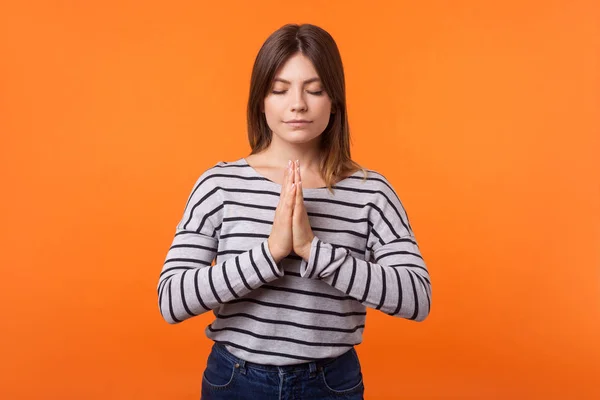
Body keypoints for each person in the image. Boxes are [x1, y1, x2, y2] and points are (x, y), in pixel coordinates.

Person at [156, 23, 431, 400]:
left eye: (314, 90)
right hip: (235, 380)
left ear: (334, 99)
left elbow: (417, 298)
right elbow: (171, 300)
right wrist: (270, 253)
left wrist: (313, 250)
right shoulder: (219, 184)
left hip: (330, 383)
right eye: (280, 89)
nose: (298, 103)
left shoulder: (370, 191)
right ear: (260, 100)